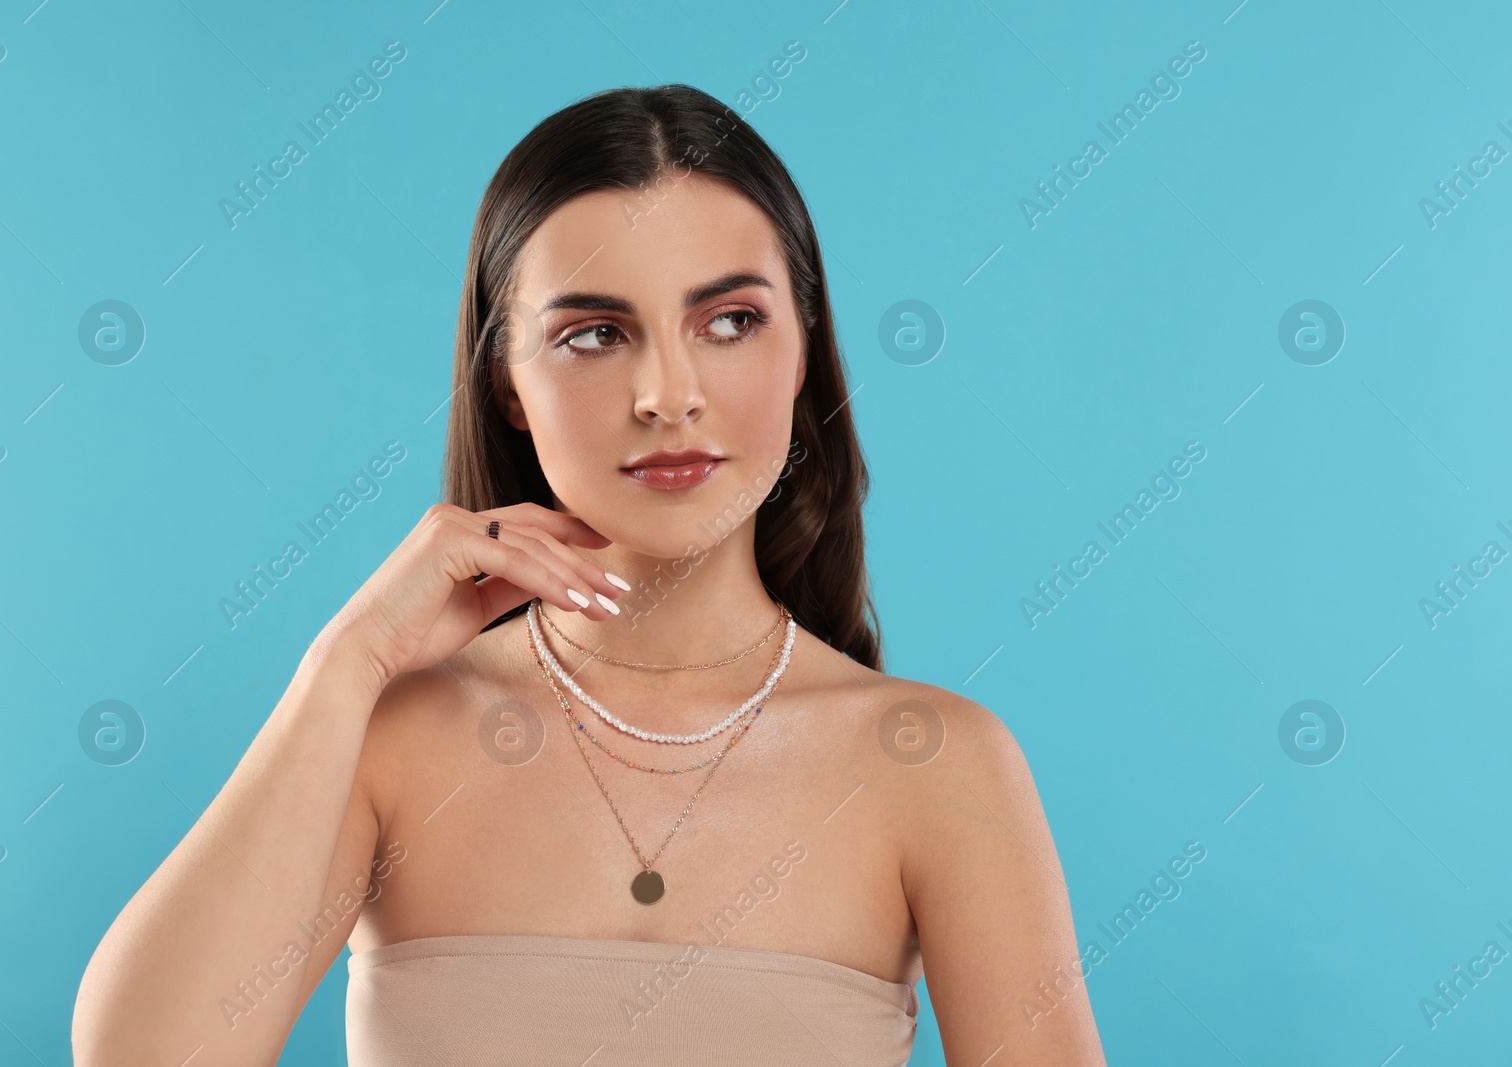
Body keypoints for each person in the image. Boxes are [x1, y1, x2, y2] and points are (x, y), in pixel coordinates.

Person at [72, 83, 1106, 1066]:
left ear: (803, 351)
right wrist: (349, 662)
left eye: (731, 320)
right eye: (594, 333)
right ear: (506, 385)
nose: (667, 392)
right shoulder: (388, 739)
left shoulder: (934, 765)